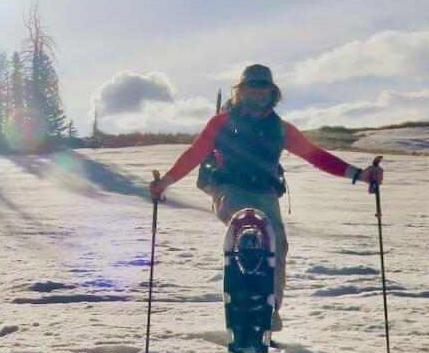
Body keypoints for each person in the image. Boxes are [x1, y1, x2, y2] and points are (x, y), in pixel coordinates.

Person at [149, 64, 383, 335]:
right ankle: (244, 260)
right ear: (241, 91)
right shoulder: (222, 123)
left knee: (277, 243)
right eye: (251, 86)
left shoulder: (280, 129)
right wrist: (164, 182)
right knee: (245, 217)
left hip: (266, 193)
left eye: (263, 87)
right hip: (226, 187)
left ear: (272, 92)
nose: (257, 92)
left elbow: (316, 156)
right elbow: (195, 153)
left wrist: (360, 175)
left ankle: (269, 309)